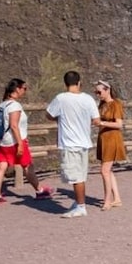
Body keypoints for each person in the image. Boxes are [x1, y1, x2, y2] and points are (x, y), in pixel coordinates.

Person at [0, 78, 54, 206]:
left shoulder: (2, 104)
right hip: (15, 141)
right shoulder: (14, 106)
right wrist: (19, 143)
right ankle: (39, 191)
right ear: (17, 89)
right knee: (27, 165)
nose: (25, 91)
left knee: (1, 166)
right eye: (24, 88)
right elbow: (14, 125)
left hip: (3, 141)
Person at [46, 70, 101, 218]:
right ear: (79, 82)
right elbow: (96, 119)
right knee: (80, 175)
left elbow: (49, 114)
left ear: (65, 83)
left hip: (70, 143)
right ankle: (78, 203)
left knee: (76, 177)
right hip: (84, 142)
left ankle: (81, 206)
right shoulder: (88, 99)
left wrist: (61, 119)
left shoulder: (61, 99)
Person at [93, 80, 125, 210]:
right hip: (104, 138)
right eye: (96, 92)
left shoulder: (116, 104)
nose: (97, 94)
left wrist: (102, 124)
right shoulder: (102, 105)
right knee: (108, 170)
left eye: (99, 92)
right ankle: (116, 198)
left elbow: (119, 124)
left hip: (112, 139)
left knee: (104, 170)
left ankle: (108, 200)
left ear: (107, 90)